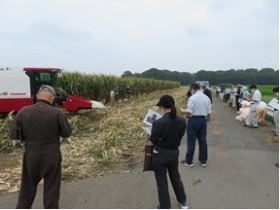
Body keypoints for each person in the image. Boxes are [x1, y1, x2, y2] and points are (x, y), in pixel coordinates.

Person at [9, 85, 72, 209]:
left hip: (31, 154)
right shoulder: (57, 113)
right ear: (52, 98)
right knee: (51, 190)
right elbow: (66, 133)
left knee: (27, 190)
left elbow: (13, 134)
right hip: (52, 154)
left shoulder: (23, 111)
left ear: (37, 96)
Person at [150, 95, 188, 209]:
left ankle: (165, 206)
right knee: (176, 177)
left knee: (162, 183)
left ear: (162, 107)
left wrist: (150, 134)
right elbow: (180, 135)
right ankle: (183, 202)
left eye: (160, 107)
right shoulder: (182, 121)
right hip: (173, 153)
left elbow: (154, 140)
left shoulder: (158, 123)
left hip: (160, 155)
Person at [181, 83, 211, 167]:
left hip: (193, 120)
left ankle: (189, 161)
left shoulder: (192, 98)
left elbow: (189, 111)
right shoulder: (207, 98)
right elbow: (209, 111)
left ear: (193, 89)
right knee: (203, 140)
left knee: (191, 140)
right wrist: (207, 119)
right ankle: (203, 161)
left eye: (191, 90)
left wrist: (183, 112)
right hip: (203, 120)